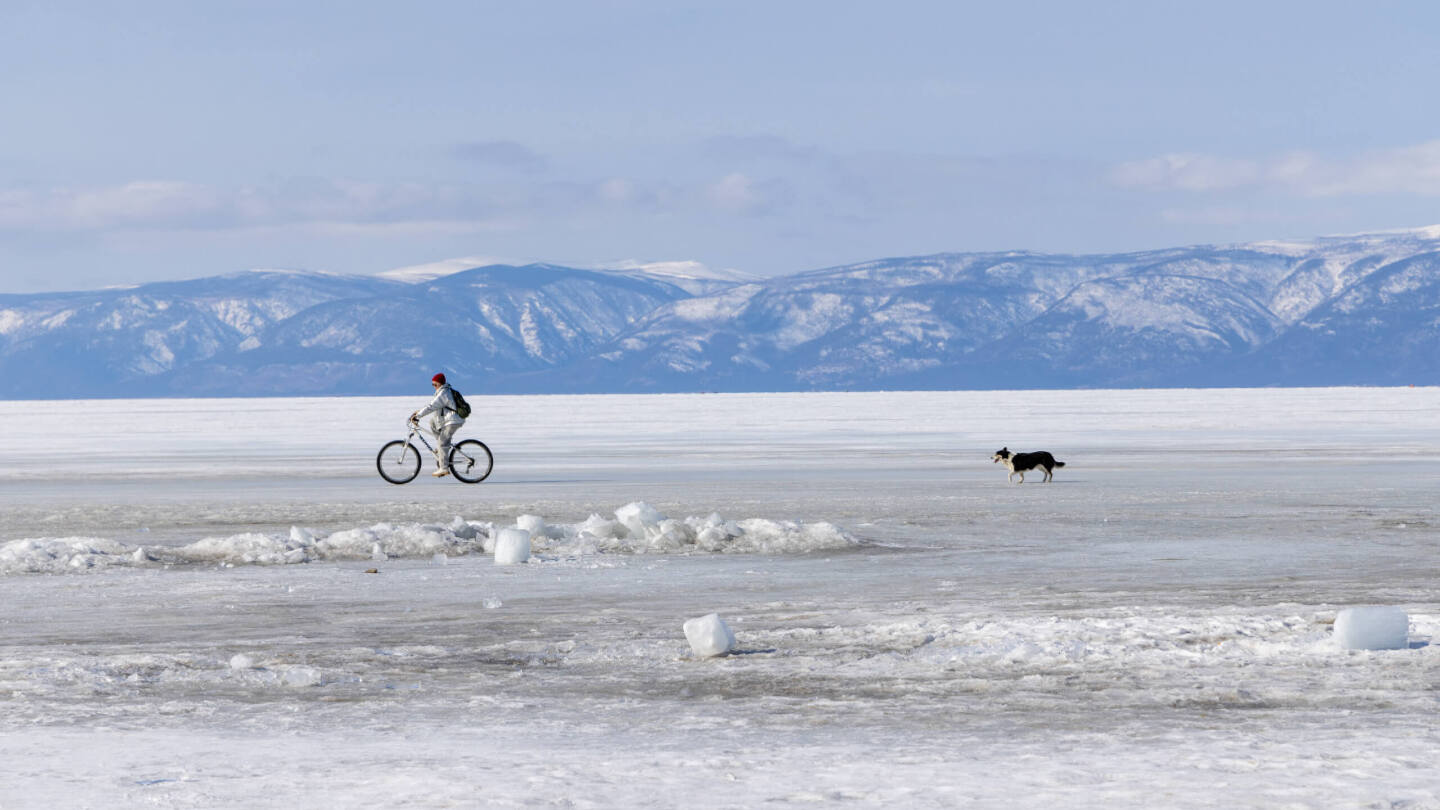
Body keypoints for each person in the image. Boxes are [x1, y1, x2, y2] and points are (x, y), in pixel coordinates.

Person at [410, 372, 465, 477]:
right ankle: (442, 449)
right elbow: (433, 406)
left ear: (440, 383)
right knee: (432, 423)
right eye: (433, 385)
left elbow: (432, 406)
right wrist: (418, 412)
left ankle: (444, 468)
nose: (434, 387)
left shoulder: (443, 393)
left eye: (435, 384)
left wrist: (418, 416)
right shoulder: (442, 392)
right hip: (447, 420)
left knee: (442, 443)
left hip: (452, 421)